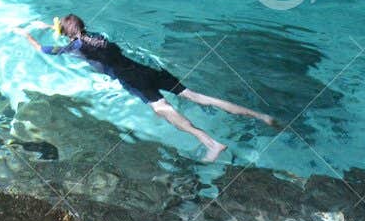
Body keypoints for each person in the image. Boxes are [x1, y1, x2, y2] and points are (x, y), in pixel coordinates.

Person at [20, 14, 276, 161]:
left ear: (67, 33)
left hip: (133, 79)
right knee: (197, 97)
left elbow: (45, 49)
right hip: (147, 68)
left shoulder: (76, 47)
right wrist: (50, 27)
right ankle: (262, 116)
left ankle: (211, 143)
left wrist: (26, 35)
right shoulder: (96, 36)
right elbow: (76, 37)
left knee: (163, 111)